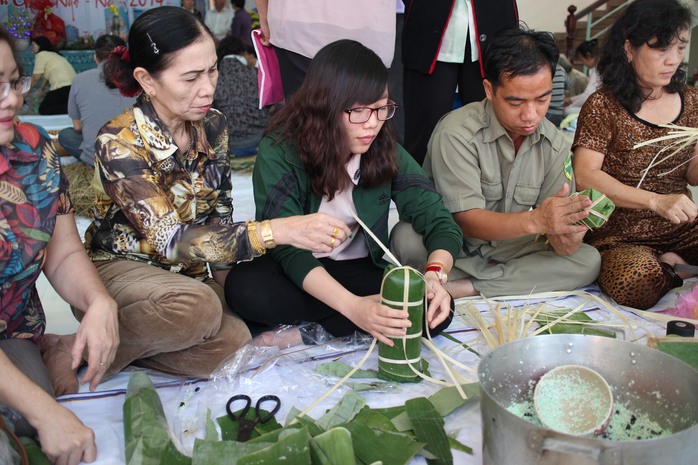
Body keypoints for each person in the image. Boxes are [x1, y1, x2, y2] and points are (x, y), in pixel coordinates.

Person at [86, 6, 348, 379]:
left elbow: (218, 211)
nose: (208, 88)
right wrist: (279, 230)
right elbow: (170, 240)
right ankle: (92, 341)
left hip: (188, 277)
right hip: (126, 270)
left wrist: (234, 291)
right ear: (146, 80)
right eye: (191, 77)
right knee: (200, 309)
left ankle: (128, 349)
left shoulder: (212, 125)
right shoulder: (120, 141)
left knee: (236, 342)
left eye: (212, 70)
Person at [225, 39, 463, 347]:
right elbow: (287, 250)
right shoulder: (280, 149)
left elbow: (438, 218)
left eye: (381, 109)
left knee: (437, 312)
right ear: (325, 106)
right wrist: (354, 307)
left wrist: (435, 276)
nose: (373, 124)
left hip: (359, 268)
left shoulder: (382, 146)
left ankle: (309, 332)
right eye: (359, 111)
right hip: (301, 271)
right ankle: (350, 320)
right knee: (245, 289)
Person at [392, 27, 601, 298]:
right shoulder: (456, 132)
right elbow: (464, 220)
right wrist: (538, 221)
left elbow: (554, 229)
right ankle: (505, 281)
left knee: (587, 260)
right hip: (454, 245)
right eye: (516, 102)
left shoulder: (556, 143)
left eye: (542, 99)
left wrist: (565, 238)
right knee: (405, 239)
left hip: (511, 246)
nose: (531, 114)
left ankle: (466, 287)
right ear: (489, 90)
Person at [0, 28, 118, 464]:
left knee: (28, 419)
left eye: (14, 81)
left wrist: (99, 302)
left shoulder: (34, 149)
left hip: (10, 327)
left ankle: (40, 345)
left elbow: (63, 251)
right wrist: (46, 413)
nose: (12, 99)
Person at [572, 0, 698, 310]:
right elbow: (585, 176)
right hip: (620, 235)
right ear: (630, 48)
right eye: (660, 50)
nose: (672, 61)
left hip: (681, 225)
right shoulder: (604, 105)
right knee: (636, 284)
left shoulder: (692, 102)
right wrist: (655, 201)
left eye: (680, 49)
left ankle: (673, 263)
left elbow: (693, 174)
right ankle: (670, 269)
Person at [401, 0, 519, 165]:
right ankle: (416, 188)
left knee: (489, 133)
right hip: (428, 26)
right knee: (423, 137)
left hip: (494, 22)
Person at [256, 0, 395, 99]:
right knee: (366, 123)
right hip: (372, 27)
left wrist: (264, 16)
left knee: (305, 125)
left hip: (299, 25)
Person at [58, 35, 137, 167]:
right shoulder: (137, 77)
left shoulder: (80, 79)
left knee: (66, 135)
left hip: (97, 160)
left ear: (95, 57)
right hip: (135, 157)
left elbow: (77, 127)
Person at [214, 35, 269, 157]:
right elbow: (275, 104)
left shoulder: (213, 80)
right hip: (260, 141)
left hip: (230, 145)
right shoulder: (257, 75)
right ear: (243, 53)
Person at [30, 36, 76, 115]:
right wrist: (41, 90)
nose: (32, 49)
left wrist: (25, 91)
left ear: (40, 46)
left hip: (62, 88)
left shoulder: (41, 54)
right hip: (74, 87)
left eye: (33, 46)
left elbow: (35, 78)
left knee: (43, 109)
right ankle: (74, 107)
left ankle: (73, 109)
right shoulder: (54, 55)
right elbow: (46, 78)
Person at [564, 39, 601, 115]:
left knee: (568, 111)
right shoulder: (595, 69)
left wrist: (571, 105)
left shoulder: (599, 69)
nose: (583, 63)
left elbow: (588, 95)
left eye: (582, 60)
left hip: (600, 108)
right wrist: (571, 100)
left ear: (588, 55)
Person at [546, 58, 567, 127]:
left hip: (546, 113)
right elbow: (568, 85)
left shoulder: (544, 70)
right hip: (558, 114)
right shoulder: (561, 70)